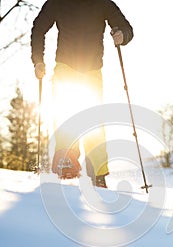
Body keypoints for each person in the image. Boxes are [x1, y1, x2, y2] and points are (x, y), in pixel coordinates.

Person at [31, 0, 133, 188]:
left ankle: (99, 175)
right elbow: (39, 28)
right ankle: (67, 163)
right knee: (64, 116)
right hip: (65, 68)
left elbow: (126, 28)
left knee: (95, 123)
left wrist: (122, 35)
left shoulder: (103, 3)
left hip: (92, 70)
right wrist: (38, 60)